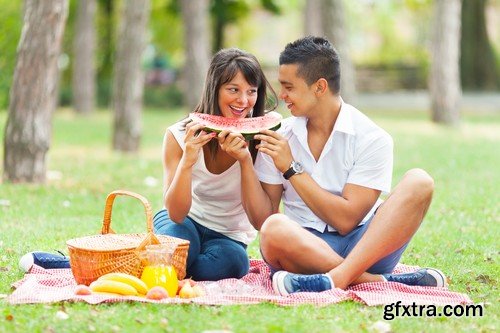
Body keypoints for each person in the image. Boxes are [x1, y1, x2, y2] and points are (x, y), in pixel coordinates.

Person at [241, 36, 446, 295]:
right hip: (304, 247)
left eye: (288, 87)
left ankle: (338, 277)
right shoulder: (281, 134)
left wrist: (291, 168)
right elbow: (262, 219)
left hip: (366, 246)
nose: (282, 96)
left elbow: (346, 220)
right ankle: (377, 282)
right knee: (273, 228)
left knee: (420, 181)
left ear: (319, 87)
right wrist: (245, 162)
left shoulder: (372, 138)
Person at [153, 48, 278, 281]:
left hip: (229, 237)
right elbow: (176, 213)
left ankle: (163, 262)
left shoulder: (264, 141)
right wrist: (189, 161)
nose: (243, 101)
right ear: (214, 89)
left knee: (228, 264)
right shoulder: (178, 136)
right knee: (179, 252)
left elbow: (262, 221)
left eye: (251, 91)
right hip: (184, 221)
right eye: (233, 89)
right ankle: (171, 260)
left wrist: (245, 161)